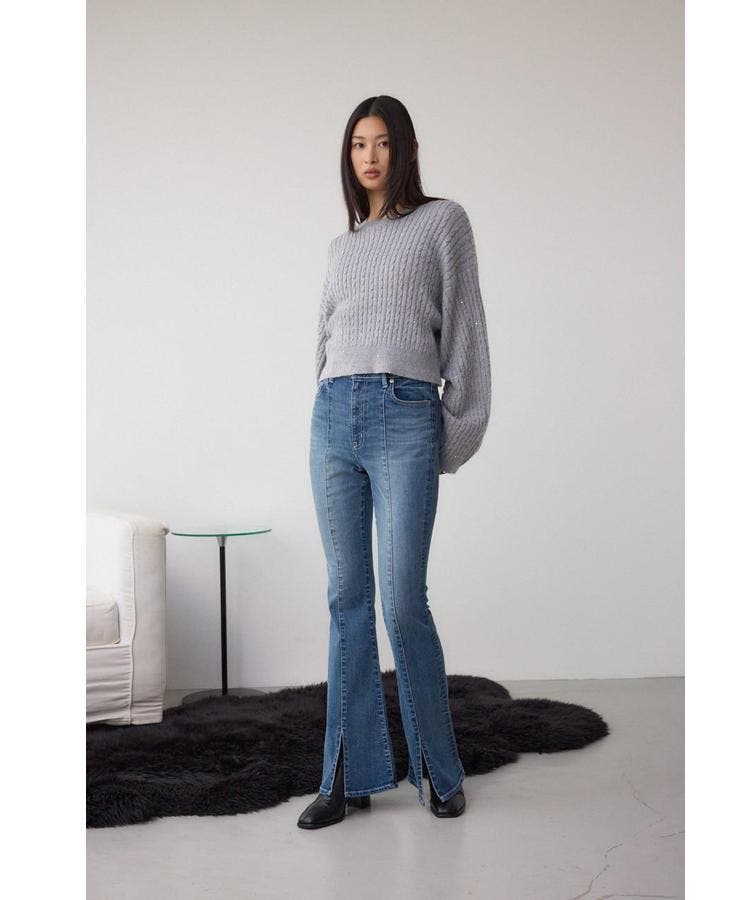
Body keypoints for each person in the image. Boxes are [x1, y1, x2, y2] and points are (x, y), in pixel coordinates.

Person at [297, 96, 492, 829]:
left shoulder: (443, 223)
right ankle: (345, 777)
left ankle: (440, 771)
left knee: (403, 599)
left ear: (406, 149)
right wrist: (326, 398)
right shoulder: (341, 247)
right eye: (357, 144)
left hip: (405, 414)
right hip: (333, 417)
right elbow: (325, 338)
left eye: (382, 143)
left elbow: (466, 335)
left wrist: (449, 436)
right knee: (346, 597)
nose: (370, 157)